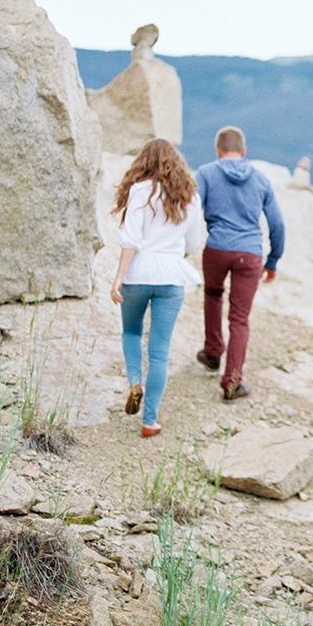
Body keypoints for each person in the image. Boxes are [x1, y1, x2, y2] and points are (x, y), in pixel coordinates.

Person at [110, 138, 202, 437]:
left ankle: (135, 381)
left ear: (143, 163)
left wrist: (118, 277)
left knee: (131, 332)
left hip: (138, 273)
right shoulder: (189, 196)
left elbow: (131, 239)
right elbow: (193, 244)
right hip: (172, 275)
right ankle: (149, 421)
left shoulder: (139, 191)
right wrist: (171, 258)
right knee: (160, 352)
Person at [195, 126, 285, 400]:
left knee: (212, 294)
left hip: (217, 248)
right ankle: (232, 382)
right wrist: (273, 260)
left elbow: (190, 211)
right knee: (240, 319)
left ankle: (212, 353)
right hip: (250, 254)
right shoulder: (260, 178)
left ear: (218, 150)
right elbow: (277, 224)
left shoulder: (206, 173)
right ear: (244, 152)